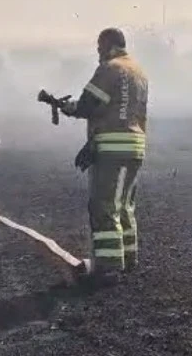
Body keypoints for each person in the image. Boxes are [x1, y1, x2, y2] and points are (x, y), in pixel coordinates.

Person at [59, 27, 149, 287]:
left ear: (109, 45)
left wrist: (68, 107)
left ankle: (108, 268)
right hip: (135, 146)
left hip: (112, 147)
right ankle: (128, 259)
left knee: (103, 206)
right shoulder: (139, 72)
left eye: (100, 48)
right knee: (124, 205)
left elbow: (87, 105)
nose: (98, 53)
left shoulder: (109, 69)